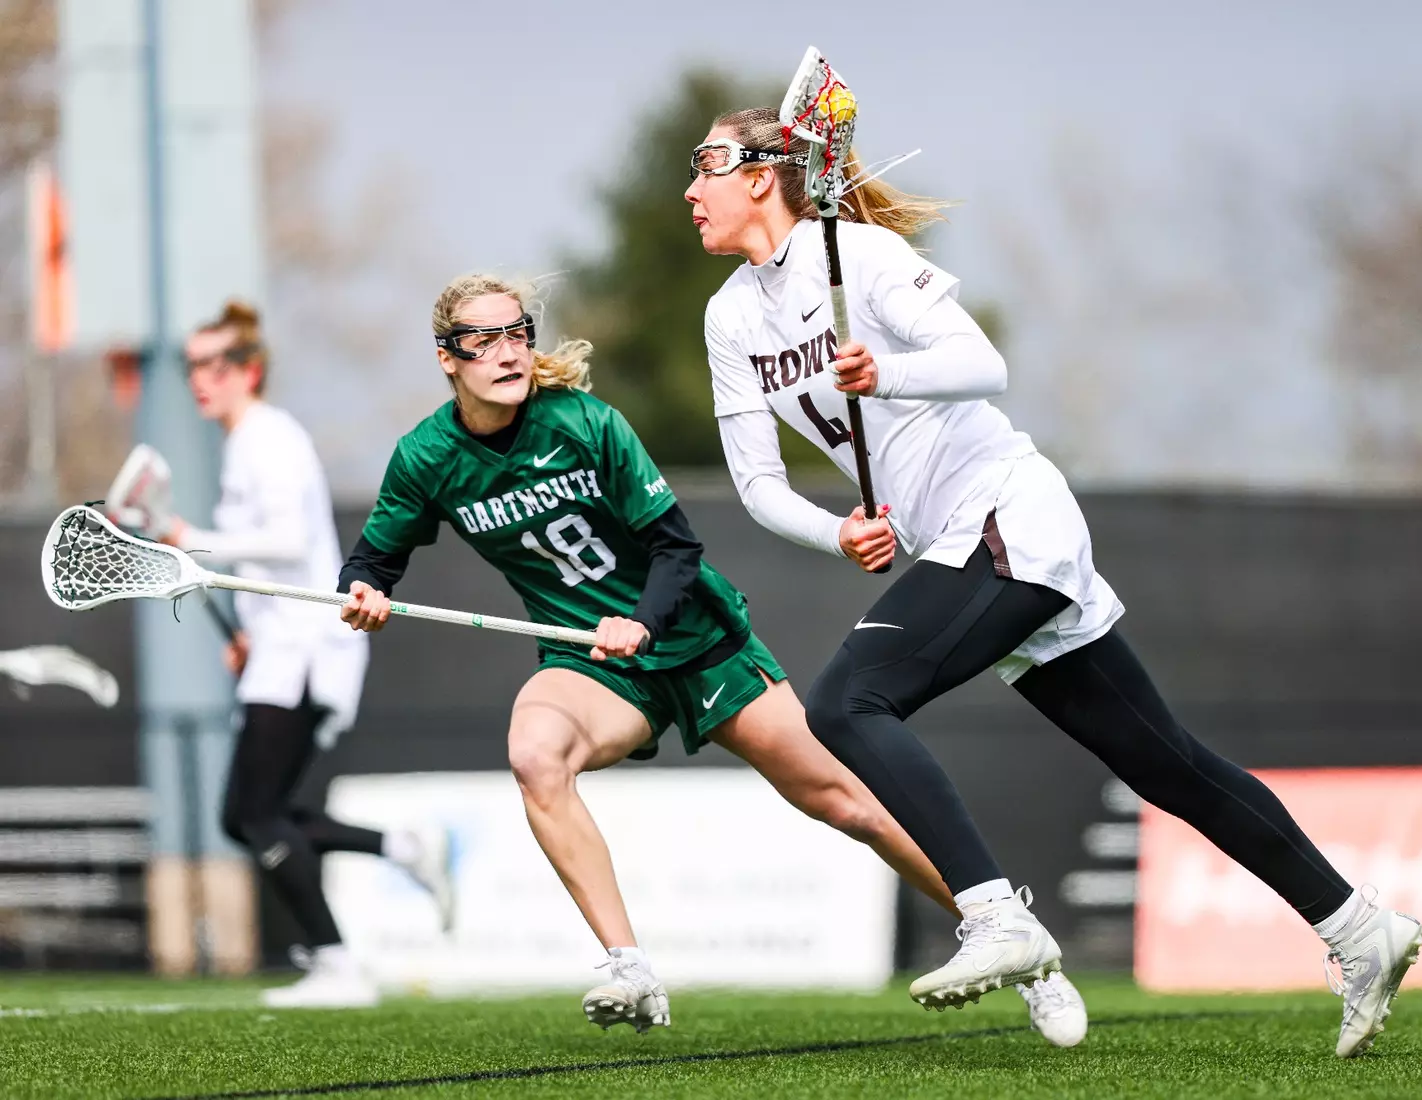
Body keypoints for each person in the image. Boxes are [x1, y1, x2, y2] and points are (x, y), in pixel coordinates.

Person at [687, 108, 1422, 1059]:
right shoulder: (729, 316)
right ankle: (1360, 925)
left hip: (1006, 513)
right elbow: (756, 484)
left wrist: (889, 374)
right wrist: (839, 530)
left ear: (762, 176)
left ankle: (996, 915)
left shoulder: (857, 255)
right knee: (1169, 765)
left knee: (846, 701)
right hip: (955, 541)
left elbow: (983, 364)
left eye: (708, 164)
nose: (691, 188)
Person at [334, 274, 1089, 1046]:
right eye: (482, 341)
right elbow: (372, 562)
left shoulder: (586, 423)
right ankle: (630, 968)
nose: (506, 352)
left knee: (850, 802)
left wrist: (641, 622)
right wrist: (362, 594)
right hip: (593, 663)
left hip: (697, 641)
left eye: (517, 333)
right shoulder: (426, 457)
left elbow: (676, 549)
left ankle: (1019, 945)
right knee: (534, 756)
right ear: (447, 359)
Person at [155, 301, 454, 1008]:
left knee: (253, 815)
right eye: (192, 364)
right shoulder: (243, 443)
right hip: (278, 649)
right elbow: (278, 567)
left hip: (307, 653)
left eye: (215, 363)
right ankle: (402, 849)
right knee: (255, 814)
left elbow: (290, 542)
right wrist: (246, 631)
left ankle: (337, 961)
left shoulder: (269, 437)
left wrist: (192, 539)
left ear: (249, 370)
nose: (202, 377)